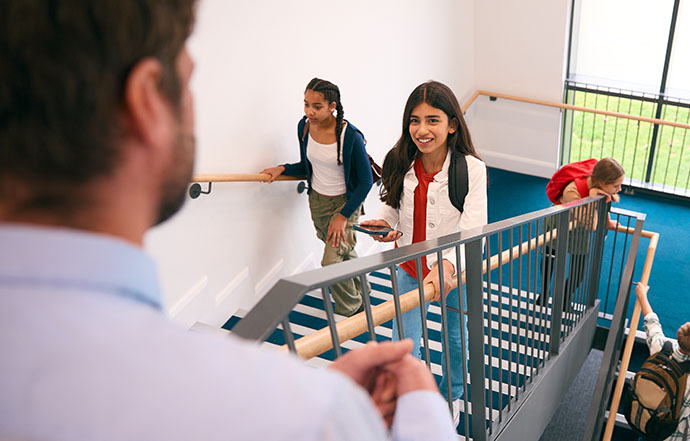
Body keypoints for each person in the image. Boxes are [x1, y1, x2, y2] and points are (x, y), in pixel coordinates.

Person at [0, 1, 455, 440]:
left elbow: (357, 181)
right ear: (147, 102)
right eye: (188, 83)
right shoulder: (302, 412)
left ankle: (352, 306)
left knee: (338, 255)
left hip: (337, 206)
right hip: (319, 208)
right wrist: (413, 403)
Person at [359, 81, 488, 424]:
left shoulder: (471, 170)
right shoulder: (399, 159)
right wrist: (384, 224)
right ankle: (408, 402)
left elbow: (473, 229)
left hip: (451, 273)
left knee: (455, 343)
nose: (422, 129)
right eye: (415, 120)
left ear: (452, 124)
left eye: (433, 120)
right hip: (409, 269)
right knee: (404, 344)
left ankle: (452, 395)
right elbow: (393, 207)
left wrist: (445, 264)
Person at [260, 78, 374, 316]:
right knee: (342, 251)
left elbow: (365, 182)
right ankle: (363, 288)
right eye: (306, 104)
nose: (309, 111)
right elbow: (307, 165)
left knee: (330, 263)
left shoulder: (349, 136)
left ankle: (352, 310)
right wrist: (282, 168)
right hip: (318, 202)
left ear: (332, 105)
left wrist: (343, 216)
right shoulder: (304, 127)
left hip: (345, 203)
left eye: (317, 106)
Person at [536, 157, 624, 307]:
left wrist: (608, 222)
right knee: (550, 259)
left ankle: (564, 298)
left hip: (579, 230)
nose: (620, 189)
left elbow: (606, 202)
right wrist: (593, 196)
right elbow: (592, 226)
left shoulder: (600, 184)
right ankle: (544, 292)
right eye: (616, 185)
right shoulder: (572, 191)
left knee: (579, 271)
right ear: (602, 183)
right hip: (558, 225)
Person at [635, 283, 690, 441]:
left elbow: (651, 321)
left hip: (646, 421)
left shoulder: (660, 348)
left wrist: (642, 294)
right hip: (672, 435)